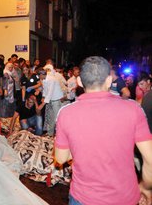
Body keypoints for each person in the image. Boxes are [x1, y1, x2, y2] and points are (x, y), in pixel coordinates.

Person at [55, 56, 152, 205]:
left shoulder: (65, 113)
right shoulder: (133, 109)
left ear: (80, 81)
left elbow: (61, 158)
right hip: (125, 197)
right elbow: (150, 159)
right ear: (108, 81)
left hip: (83, 198)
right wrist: (145, 187)